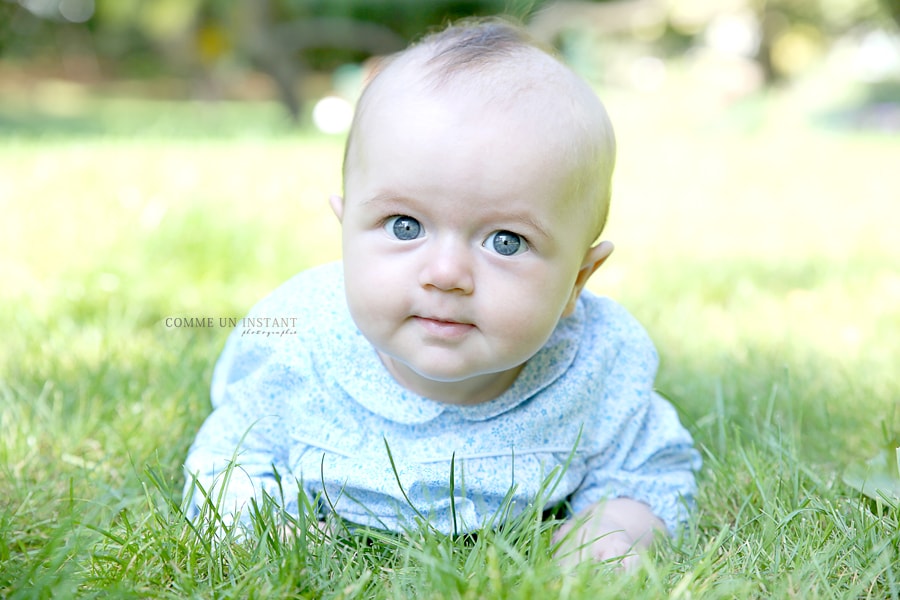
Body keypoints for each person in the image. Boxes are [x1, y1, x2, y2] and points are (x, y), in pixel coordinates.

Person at [183, 18, 701, 570]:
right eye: (405, 226)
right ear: (345, 234)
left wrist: (615, 526)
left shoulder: (597, 367)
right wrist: (256, 520)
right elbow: (230, 455)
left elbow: (649, 470)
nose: (447, 273)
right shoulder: (298, 350)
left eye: (506, 241)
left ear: (578, 279)